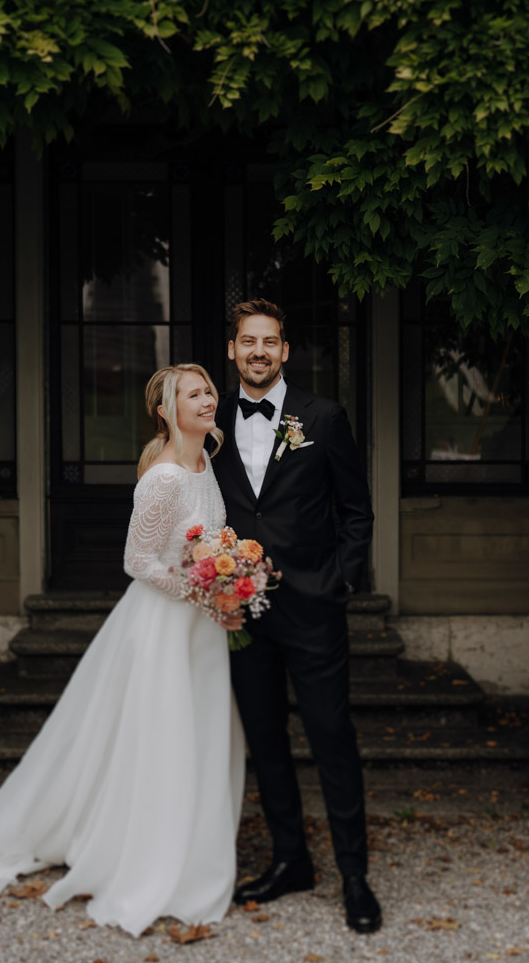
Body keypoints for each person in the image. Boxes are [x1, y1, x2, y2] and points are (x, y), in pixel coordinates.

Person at [0, 364, 245, 937]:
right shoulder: (161, 479)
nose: (207, 399)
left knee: (202, 736)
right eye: (193, 393)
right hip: (164, 627)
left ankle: (195, 852)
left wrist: (228, 586)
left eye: (208, 389)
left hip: (202, 628)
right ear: (165, 409)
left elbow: (208, 543)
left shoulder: (205, 462)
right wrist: (204, 591)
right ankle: (152, 861)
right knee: (163, 740)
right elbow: (137, 562)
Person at [213, 299, 381, 934]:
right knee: (266, 740)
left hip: (313, 608)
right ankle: (291, 861)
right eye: (247, 341)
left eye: (271, 342)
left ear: (286, 352)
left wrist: (340, 580)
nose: (259, 351)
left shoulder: (324, 417)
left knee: (331, 737)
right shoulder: (212, 418)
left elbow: (356, 510)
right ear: (232, 350)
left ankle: (356, 877)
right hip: (240, 613)